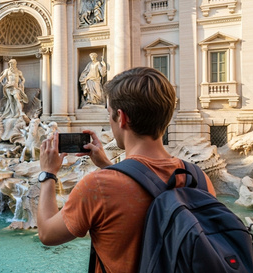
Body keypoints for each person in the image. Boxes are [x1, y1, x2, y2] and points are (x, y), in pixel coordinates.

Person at [37, 67, 216, 272]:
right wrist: (108, 165)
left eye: (109, 114)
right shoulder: (199, 179)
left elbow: (47, 233)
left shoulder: (98, 187)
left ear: (121, 118)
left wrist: (48, 173)